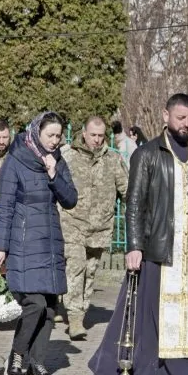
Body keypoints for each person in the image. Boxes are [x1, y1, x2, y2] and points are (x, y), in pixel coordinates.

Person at [89, 93, 188, 375]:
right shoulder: (147, 154)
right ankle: (153, 369)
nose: (186, 124)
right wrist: (133, 245)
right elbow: (135, 204)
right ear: (165, 116)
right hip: (162, 248)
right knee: (158, 312)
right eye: (181, 117)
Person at [0, 112, 78, 375]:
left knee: (50, 307)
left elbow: (71, 200)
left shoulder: (57, 161)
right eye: (50, 135)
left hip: (50, 241)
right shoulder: (15, 161)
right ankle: (16, 359)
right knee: (34, 303)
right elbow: (3, 208)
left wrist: (54, 174)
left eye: (58, 136)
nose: (55, 141)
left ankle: (37, 365)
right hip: (23, 241)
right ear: (36, 133)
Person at [59, 116, 128, 340]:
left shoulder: (113, 160)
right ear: (84, 133)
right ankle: (75, 317)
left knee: (90, 272)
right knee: (76, 268)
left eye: (101, 136)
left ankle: (81, 308)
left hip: (100, 227)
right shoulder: (67, 156)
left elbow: (127, 190)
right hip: (72, 224)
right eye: (93, 135)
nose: (97, 140)